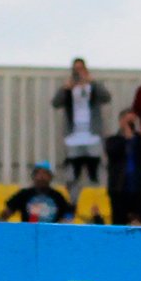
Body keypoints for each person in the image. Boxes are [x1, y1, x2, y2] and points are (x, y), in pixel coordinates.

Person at [51, 58, 111, 192]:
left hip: (92, 135)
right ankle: (73, 201)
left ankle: (95, 201)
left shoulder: (93, 86)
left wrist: (92, 82)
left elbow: (106, 98)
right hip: (73, 136)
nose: (78, 72)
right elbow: (55, 103)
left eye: (81, 68)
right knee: (73, 170)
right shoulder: (69, 86)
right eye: (76, 69)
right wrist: (65, 89)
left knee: (94, 170)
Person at [103, 111, 141, 225]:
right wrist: (127, 138)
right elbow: (113, 152)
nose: (131, 124)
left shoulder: (140, 140)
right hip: (119, 190)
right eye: (128, 120)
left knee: (140, 224)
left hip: (139, 190)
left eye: (133, 121)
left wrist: (140, 136)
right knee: (119, 224)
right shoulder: (113, 140)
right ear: (121, 122)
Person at [2, 161, 71, 224]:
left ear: (50, 177)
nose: (41, 177)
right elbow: (7, 213)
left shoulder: (57, 196)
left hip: (51, 234)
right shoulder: (24, 194)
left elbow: (67, 216)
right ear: (33, 176)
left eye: (45, 173)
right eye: (38, 173)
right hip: (28, 233)